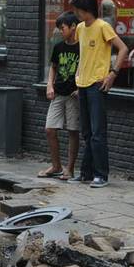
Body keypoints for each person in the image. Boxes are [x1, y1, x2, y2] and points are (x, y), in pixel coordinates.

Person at [71, 0, 130, 188]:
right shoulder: (80, 28)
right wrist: (78, 77)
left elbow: (123, 48)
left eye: (78, 9)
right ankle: (86, 172)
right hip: (83, 83)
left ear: (86, 9)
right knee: (87, 132)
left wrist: (112, 73)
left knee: (97, 132)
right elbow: (84, 54)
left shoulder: (103, 26)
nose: (76, 13)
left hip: (97, 84)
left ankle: (101, 174)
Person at [41, 12, 80, 179]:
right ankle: (56, 165)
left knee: (73, 130)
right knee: (50, 129)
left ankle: (69, 168)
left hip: (73, 94)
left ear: (73, 27)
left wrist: (81, 88)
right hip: (58, 92)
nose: (59, 31)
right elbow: (53, 67)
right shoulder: (58, 47)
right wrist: (50, 84)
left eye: (62, 28)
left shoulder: (82, 47)